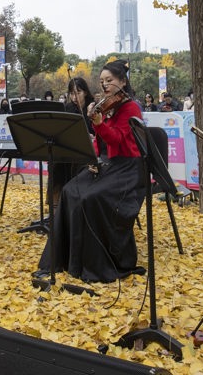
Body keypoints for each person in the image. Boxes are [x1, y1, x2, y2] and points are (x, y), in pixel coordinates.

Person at [37, 59, 145, 283]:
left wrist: (98, 123)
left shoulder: (130, 107)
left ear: (123, 81)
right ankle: (65, 259)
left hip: (128, 168)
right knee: (69, 190)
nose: (105, 85)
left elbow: (116, 140)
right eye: (102, 81)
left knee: (90, 197)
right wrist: (92, 156)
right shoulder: (108, 106)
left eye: (110, 80)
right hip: (108, 164)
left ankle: (95, 263)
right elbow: (102, 145)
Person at [48, 77, 96, 209]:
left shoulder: (93, 106)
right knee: (56, 161)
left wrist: (92, 136)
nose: (74, 97)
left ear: (85, 92)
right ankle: (56, 201)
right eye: (71, 93)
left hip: (88, 149)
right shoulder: (68, 107)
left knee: (77, 163)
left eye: (78, 92)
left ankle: (74, 200)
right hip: (70, 147)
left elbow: (98, 130)